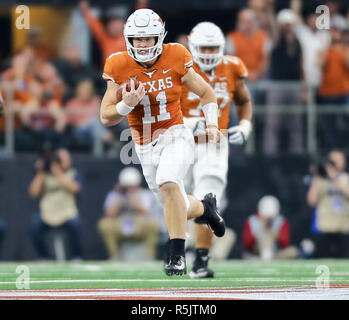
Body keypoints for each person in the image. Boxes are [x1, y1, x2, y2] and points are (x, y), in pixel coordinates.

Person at [100, 8, 225, 276]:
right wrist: (126, 104)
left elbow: (206, 93)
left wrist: (212, 124)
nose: (143, 44)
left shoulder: (176, 55)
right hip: (144, 146)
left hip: (175, 134)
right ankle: (206, 208)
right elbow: (106, 115)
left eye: (148, 38)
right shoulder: (118, 64)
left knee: (168, 182)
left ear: (159, 37)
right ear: (128, 40)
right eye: (138, 39)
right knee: (175, 201)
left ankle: (176, 255)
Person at [180, 22, 253, 278]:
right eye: (204, 47)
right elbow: (160, 105)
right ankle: (180, 249)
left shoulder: (232, 66)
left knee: (207, 199)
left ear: (221, 46)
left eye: (213, 47)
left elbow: (243, 100)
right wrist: (185, 123)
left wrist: (244, 123)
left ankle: (200, 260)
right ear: (193, 46)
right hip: (179, 142)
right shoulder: (178, 66)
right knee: (174, 199)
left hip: (213, 144)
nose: (209, 52)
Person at [262, 9, 304, 156]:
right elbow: (271, 26)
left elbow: (300, 65)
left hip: (295, 85)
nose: (287, 26)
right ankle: (270, 153)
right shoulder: (276, 38)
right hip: (277, 85)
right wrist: (269, 9)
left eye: (289, 24)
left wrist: (304, 88)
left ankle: (296, 153)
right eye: (284, 24)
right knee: (274, 121)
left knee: (295, 122)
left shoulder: (297, 41)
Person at [28, 148, 83, 260]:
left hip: (67, 212)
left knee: (76, 225)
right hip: (47, 212)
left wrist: (58, 172)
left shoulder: (73, 173)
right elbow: (33, 192)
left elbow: (75, 189)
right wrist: (41, 171)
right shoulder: (44, 175)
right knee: (34, 226)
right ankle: (44, 256)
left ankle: (76, 256)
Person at [98, 167, 159, 260]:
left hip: (139, 224)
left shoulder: (145, 194)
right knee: (104, 224)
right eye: (127, 186)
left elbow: (147, 212)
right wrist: (119, 198)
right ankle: (114, 256)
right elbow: (109, 214)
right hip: (120, 224)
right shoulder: (114, 195)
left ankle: (150, 256)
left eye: (131, 186)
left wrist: (134, 200)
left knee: (153, 224)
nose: (129, 189)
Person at [307, 150, 349, 258]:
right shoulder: (321, 180)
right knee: (323, 263)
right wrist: (317, 177)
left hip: (344, 227)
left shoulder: (345, 178)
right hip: (324, 227)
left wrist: (335, 178)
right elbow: (311, 201)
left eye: (338, 160)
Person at [242, 195, 299, 260]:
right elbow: (247, 244)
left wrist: (275, 234)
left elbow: (285, 243)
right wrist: (261, 230)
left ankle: (261, 259)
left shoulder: (281, 221)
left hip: (276, 251)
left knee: (293, 252)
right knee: (266, 238)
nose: (269, 219)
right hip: (257, 250)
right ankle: (265, 257)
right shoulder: (252, 221)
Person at [226, 8, 271, 83]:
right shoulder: (231, 38)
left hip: (259, 79)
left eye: (249, 21)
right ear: (239, 22)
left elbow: (265, 60)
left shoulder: (264, 37)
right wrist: (245, 74)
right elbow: (231, 61)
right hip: (238, 78)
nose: (247, 24)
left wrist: (256, 74)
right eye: (244, 21)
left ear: (255, 22)